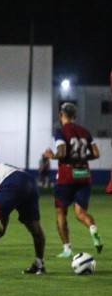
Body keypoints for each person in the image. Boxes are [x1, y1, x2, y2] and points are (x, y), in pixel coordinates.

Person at [44, 102, 102, 257]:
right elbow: (96, 154)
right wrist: (82, 158)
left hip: (67, 175)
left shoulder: (61, 131)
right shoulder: (85, 131)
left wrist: (52, 156)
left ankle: (67, 249)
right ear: (75, 116)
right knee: (81, 213)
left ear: (61, 114)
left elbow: (62, 152)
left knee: (61, 212)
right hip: (84, 174)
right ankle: (93, 229)